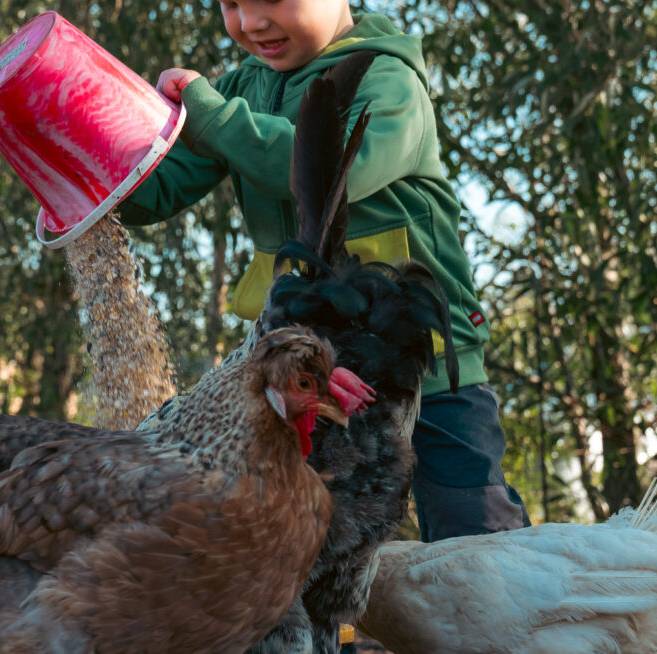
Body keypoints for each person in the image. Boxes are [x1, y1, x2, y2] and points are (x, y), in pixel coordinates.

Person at [117, 0, 530, 541]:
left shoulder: (388, 77)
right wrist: (69, 161)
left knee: (472, 524)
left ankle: (512, 622)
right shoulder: (245, 90)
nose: (251, 22)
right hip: (316, 374)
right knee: (310, 535)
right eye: (232, 4)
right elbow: (154, 189)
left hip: (424, 364)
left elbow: (343, 170)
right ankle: (327, 629)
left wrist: (213, 117)